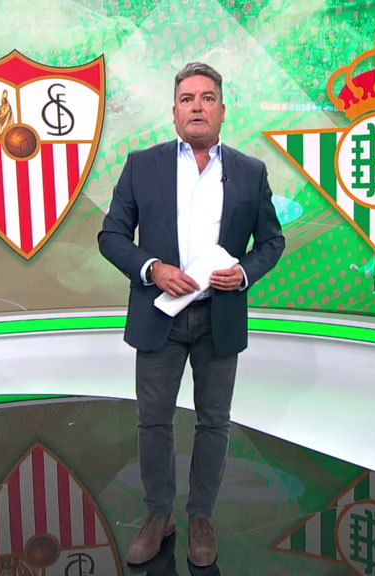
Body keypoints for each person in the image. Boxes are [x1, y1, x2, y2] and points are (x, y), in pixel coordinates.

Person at [98, 62, 285, 568]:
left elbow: (272, 242)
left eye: (207, 98)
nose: (197, 106)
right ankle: (158, 515)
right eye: (187, 99)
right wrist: (153, 269)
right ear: (174, 111)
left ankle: (201, 516)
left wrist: (243, 273)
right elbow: (111, 236)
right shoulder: (142, 165)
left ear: (223, 110)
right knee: (153, 420)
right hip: (159, 315)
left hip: (219, 317)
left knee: (214, 422)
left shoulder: (250, 171)